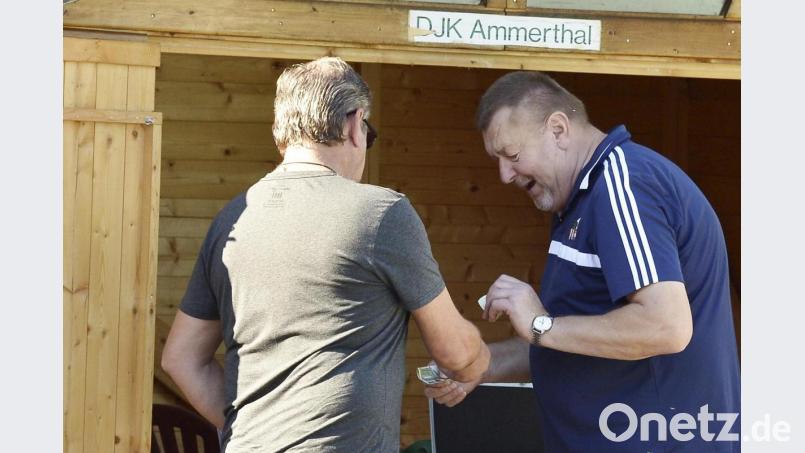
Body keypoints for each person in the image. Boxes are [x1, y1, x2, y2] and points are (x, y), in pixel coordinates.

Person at [162, 57, 490, 452]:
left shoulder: (231, 218)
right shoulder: (381, 213)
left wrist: (250, 431)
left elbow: (180, 358)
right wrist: (478, 360)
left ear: (279, 132)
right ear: (354, 124)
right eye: (368, 135)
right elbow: (455, 352)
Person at [425, 71, 740, 452]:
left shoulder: (624, 185)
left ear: (557, 129)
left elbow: (666, 326)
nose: (504, 175)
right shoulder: (579, 202)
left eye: (512, 155)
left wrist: (541, 323)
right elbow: (575, 334)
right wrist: (480, 364)